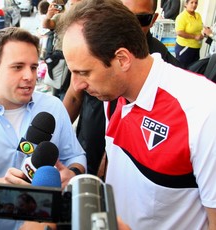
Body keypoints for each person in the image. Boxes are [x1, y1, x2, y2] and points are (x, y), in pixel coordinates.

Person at [61, 0, 216, 229]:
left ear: (122, 59)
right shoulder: (113, 93)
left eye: (84, 72)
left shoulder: (204, 112)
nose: (77, 85)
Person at [0, 27, 86, 230]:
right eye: (18, 67)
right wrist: (4, 187)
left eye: (34, 67)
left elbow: (75, 156)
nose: (29, 76)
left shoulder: (53, 107)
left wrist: (71, 174)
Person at [63, 0, 182, 176]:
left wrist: (112, 156)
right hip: (88, 151)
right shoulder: (90, 45)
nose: (127, 25)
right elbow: (73, 96)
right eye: (122, 14)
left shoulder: (181, 91)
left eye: (140, 18)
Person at [175, 0, 204, 68]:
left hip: (196, 48)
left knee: (193, 70)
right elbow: (179, 32)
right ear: (186, 4)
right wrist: (194, 36)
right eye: (192, 2)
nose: (194, 5)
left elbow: (200, 27)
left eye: (196, 3)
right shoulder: (182, 17)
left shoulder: (198, 15)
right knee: (183, 70)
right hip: (185, 48)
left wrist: (204, 32)